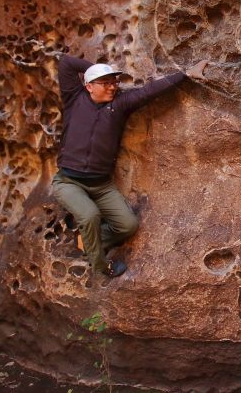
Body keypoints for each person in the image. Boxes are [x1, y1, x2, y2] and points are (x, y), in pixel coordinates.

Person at [51, 54, 207, 277]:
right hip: (68, 181)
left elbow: (149, 91)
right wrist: (98, 68)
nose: (113, 87)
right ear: (89, 86)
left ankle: (87, 241)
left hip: (101, 185)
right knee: (89, 215)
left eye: (114, 82)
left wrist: (185, 74)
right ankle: (101, 266)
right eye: (106, 83)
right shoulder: (74, 98)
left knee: (127, 225)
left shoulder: (120, 105)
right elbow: (66, 62)